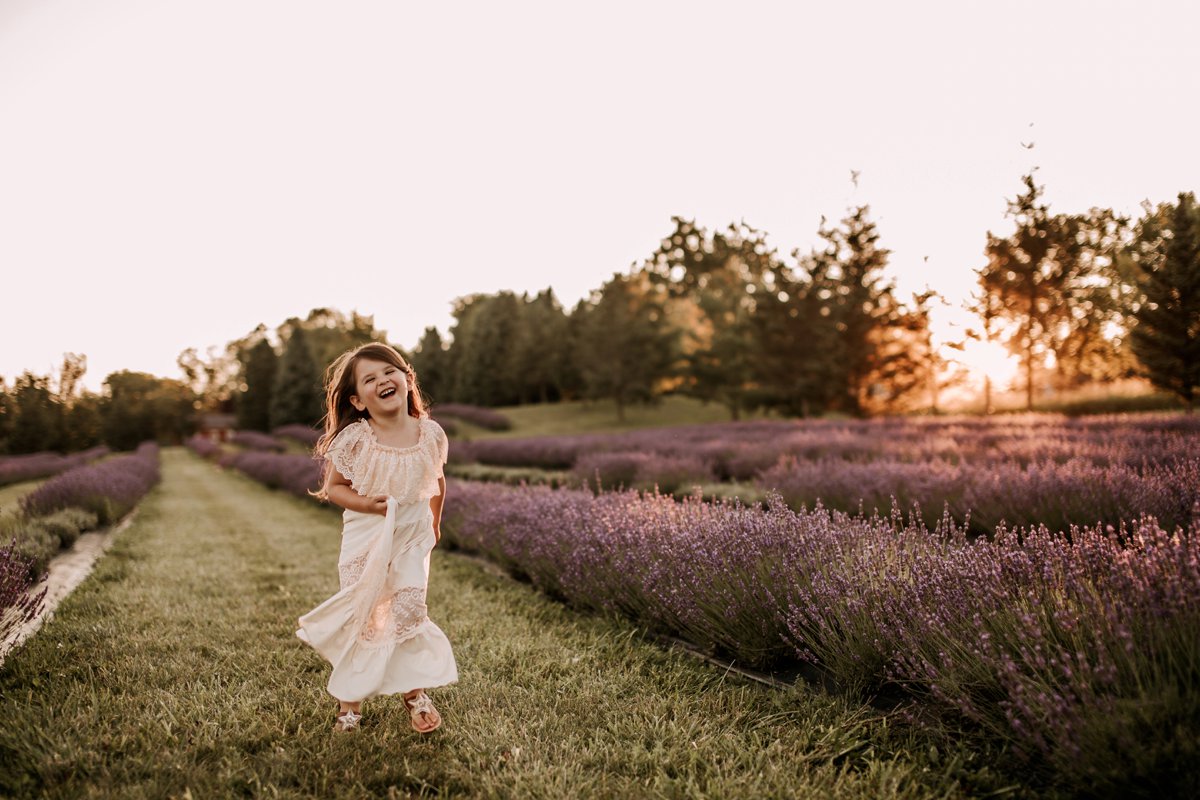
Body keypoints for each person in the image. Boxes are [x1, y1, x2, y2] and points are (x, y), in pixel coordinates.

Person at [296, 342, 457, 733]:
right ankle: (349, 706)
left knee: (407, 610)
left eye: (390, 372)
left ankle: (414, 694)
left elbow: (436, 480)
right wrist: (370, 504)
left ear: (407, 380)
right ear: (358, 399)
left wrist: (433, 525)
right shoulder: (355, 439)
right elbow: (334, 488)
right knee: (366, 617)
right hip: (367, 535)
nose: (383, 380)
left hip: (412, 535)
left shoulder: (431, 434)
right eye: (370, 379)